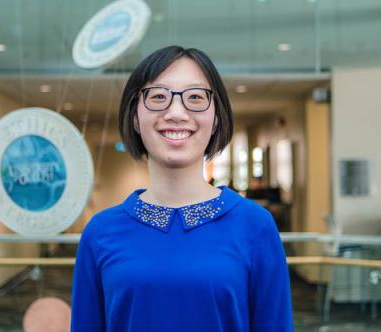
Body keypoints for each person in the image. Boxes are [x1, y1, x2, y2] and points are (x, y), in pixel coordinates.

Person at [70, 46, 294, 331]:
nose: (176, 112)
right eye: (158, 97)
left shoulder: (255, 225)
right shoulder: (100, 232)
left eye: (195, 98)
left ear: (216, 118)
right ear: (135, 117)